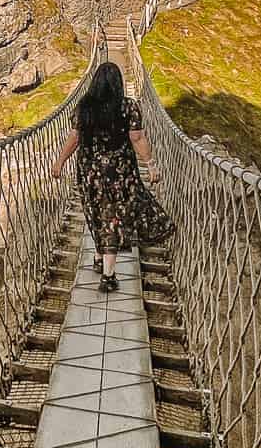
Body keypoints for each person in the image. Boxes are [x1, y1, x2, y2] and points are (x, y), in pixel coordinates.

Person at [53, 61, 175, 293]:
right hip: (120, 174)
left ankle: (100, 260)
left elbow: (75, 137)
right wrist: (150, 164)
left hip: (91, 174)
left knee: (96, 213)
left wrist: (60, 161)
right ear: (118, 84)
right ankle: (108, 276)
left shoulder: (84, 107)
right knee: (113, 220)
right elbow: (137, 138)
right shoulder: (128, 106)